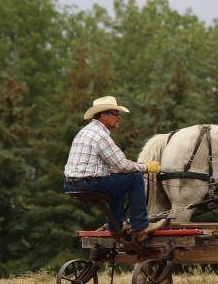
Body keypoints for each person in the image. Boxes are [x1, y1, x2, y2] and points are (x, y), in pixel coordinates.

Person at [64, 96, 166, 240]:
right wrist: (146, 167)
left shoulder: (86, 131)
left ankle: (115, 228)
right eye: (115, 113)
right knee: (135, 177)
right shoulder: (100, 136)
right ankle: (141, 226)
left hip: (72, 183)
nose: (119, 118)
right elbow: (123, 165)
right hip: (87, 183)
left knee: (120, 181)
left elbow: (116, 168)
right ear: (104, 116)